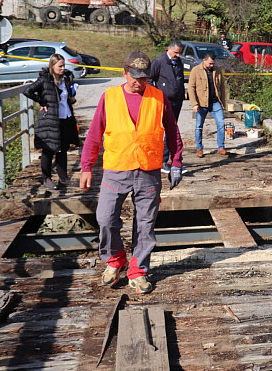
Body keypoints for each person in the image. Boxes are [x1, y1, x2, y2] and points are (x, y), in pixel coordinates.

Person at [79, 51, 183, 294]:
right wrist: (86, 166)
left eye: (144, 78)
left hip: (148, 170)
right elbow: (95, 133)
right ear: (124, 73)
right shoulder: (110, 97)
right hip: (117, 167)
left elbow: (173, 131)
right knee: (105, 218)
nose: (139, 82)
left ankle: (138, 270)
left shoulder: (158, 97)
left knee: (145, 224)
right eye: (134, 77)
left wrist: (176, 162)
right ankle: (115, 260)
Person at [24, 54, 81, 189]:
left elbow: (67, 97)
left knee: (63, 148)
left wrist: (72, 99)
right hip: (50, 120)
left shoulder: (65, 79)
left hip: (65, 118)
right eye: (60, 66)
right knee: (49, 149)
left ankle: (63, 178)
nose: (62, 69)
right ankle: (47, 178)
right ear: (52, 66)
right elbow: (28, 91)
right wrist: (41, 101)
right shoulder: (45, 80)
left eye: (63, 66)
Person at [149, 40, 185, 172]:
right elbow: (149, 79)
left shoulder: (178, 62)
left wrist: (182, 94)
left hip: (177, 101)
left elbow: (179, 79)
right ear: (168, 49)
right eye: (175, 52)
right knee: (162, 131)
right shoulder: (158, 62)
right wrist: (155, 95)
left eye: (179, 53)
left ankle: (173, 161)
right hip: (163, 102)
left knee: (172, 131)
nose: (177, 55)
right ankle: (162, 161)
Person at [189, 51, 228, 158]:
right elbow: (191, 88)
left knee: (221, 124)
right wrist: (194, 104)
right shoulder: (195, 70)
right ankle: (199, 148)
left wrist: (223, 104)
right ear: (204, 60)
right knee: (199, 126)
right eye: (210, 63)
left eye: (213, 63)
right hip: (201, 104)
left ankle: (220, 147)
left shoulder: (218, 70)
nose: (212, 65)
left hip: (215, 103)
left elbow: (222, 88)